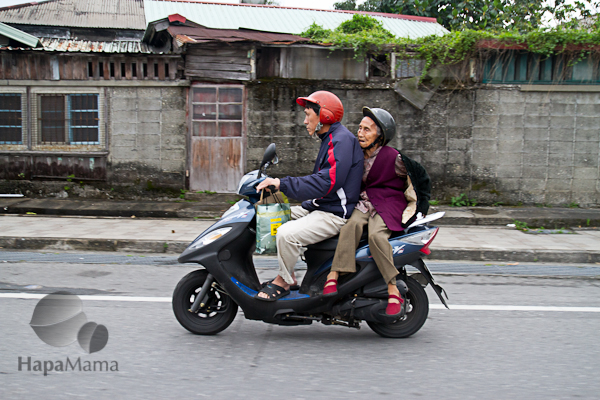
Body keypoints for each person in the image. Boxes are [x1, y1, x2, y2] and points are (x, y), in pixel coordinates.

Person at [255, 91, 363, 301]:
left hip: (334, 213)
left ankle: (284, 281)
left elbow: (327, 181)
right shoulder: (330, 138)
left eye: (308, 115)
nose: (304, 121)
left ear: (324, 116)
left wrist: (282, 184)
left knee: (286, 233)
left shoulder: (341, 141)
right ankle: (289, 271)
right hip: (321, 206)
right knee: (272, 218)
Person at [322, 107, 431, 315]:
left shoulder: (394, 157)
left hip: (388, 204)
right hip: (363, 203)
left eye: (367, 129)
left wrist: (421, 207)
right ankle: (333, 275)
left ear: (380, 135)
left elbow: (421, 177)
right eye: (359, 128)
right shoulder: (357, 155)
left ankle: (392, 287)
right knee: (350, 226)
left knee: (376, 236)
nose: (360, 133)